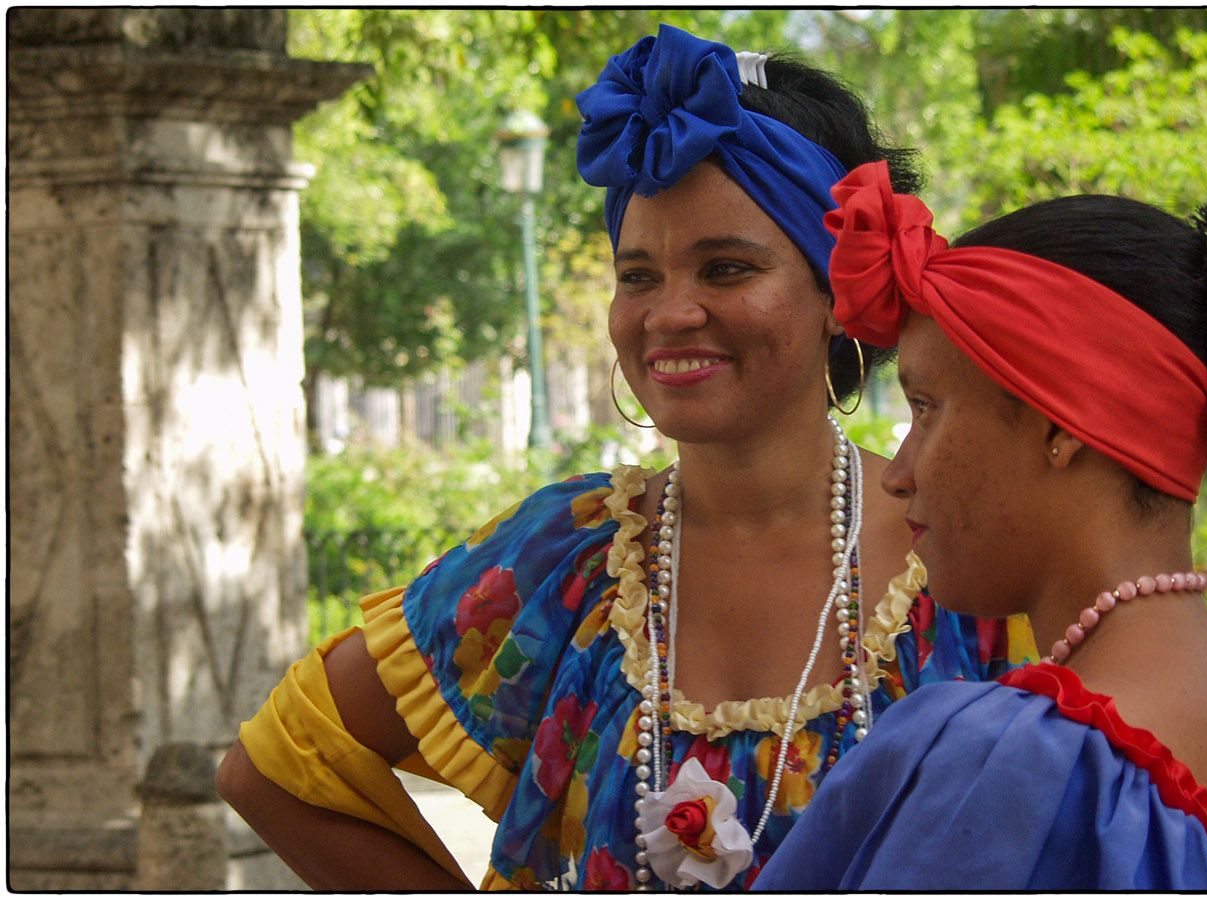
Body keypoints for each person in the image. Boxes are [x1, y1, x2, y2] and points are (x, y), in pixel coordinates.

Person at [215, 26, 1034, 891]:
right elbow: (274, 766)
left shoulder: (964, 563)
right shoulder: (565, 566)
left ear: (839, 293)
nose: (671, 313)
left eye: (724, 269)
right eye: (638, 275)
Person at [753, 161, 1207, 890]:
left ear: (1061, 428)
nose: (899, 470)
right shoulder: (1205, 685)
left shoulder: (1016, 761)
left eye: (927, 406)